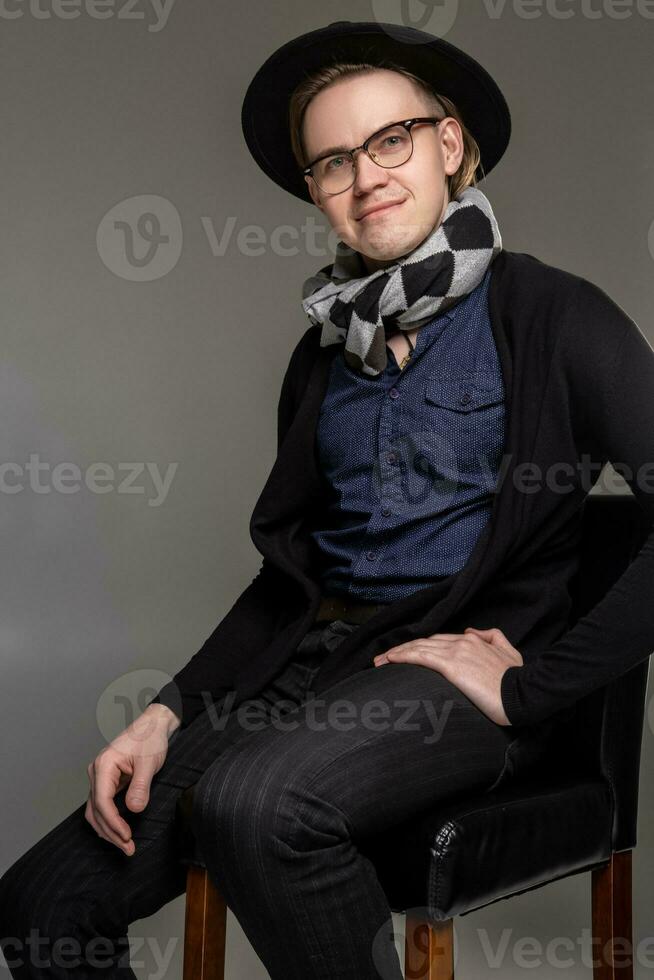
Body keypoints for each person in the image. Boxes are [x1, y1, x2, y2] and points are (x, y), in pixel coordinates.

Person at [2, 20, 654, 980]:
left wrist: (526, 688)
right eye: (334, 161)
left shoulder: (552, 316)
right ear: (315, 192)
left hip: (455, 682)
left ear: (449, 145)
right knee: (43, 906)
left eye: (391, 140)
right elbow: (290, 580)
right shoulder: (323, 356)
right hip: (308, 671)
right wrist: (170, 710)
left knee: (254, 807)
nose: (367, 176)